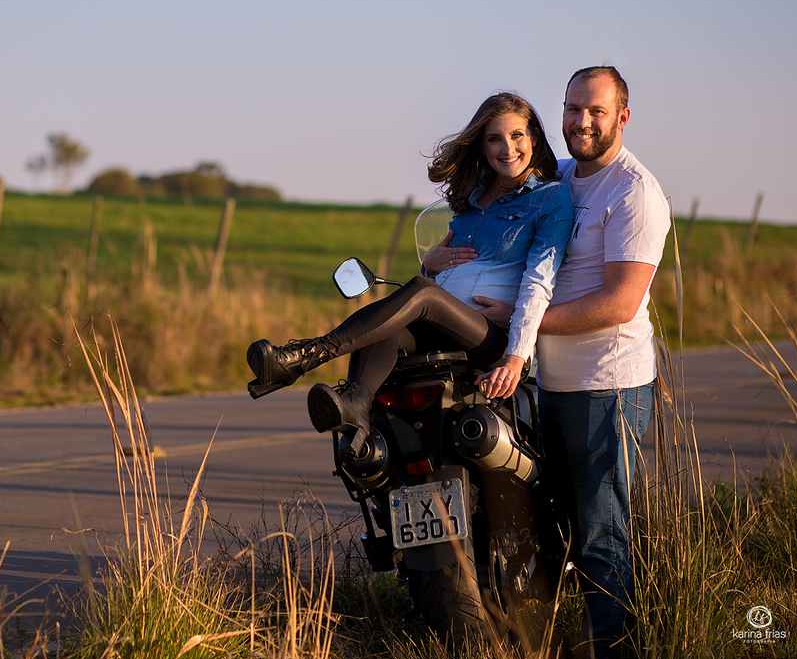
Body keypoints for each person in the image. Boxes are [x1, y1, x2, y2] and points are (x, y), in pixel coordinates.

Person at [453, 67, 670, 659]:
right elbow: (504, 239)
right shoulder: (564, 181)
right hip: (552, 383)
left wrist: (526, 324)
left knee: (601, 535)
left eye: (595, 112)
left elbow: (620, 303)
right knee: (558, 529)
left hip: (609, 386)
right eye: (573, 109)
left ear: (622, 117)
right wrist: (444, 258)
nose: (581, 122)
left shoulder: (634, 192)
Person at [245, 92, 573, 438]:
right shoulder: (472, 198)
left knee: (421, 292)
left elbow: (539, 283)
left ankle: (304, 356)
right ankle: (357, 409)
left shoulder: (550, 198)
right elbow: (452, 272)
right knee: (388, 324)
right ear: (482, 146)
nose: (507, 148)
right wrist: (430, 268)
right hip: (443, 325)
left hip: (491, 338)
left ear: (533, 137)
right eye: (495, 138)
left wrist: (515, 358)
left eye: (517, 135)